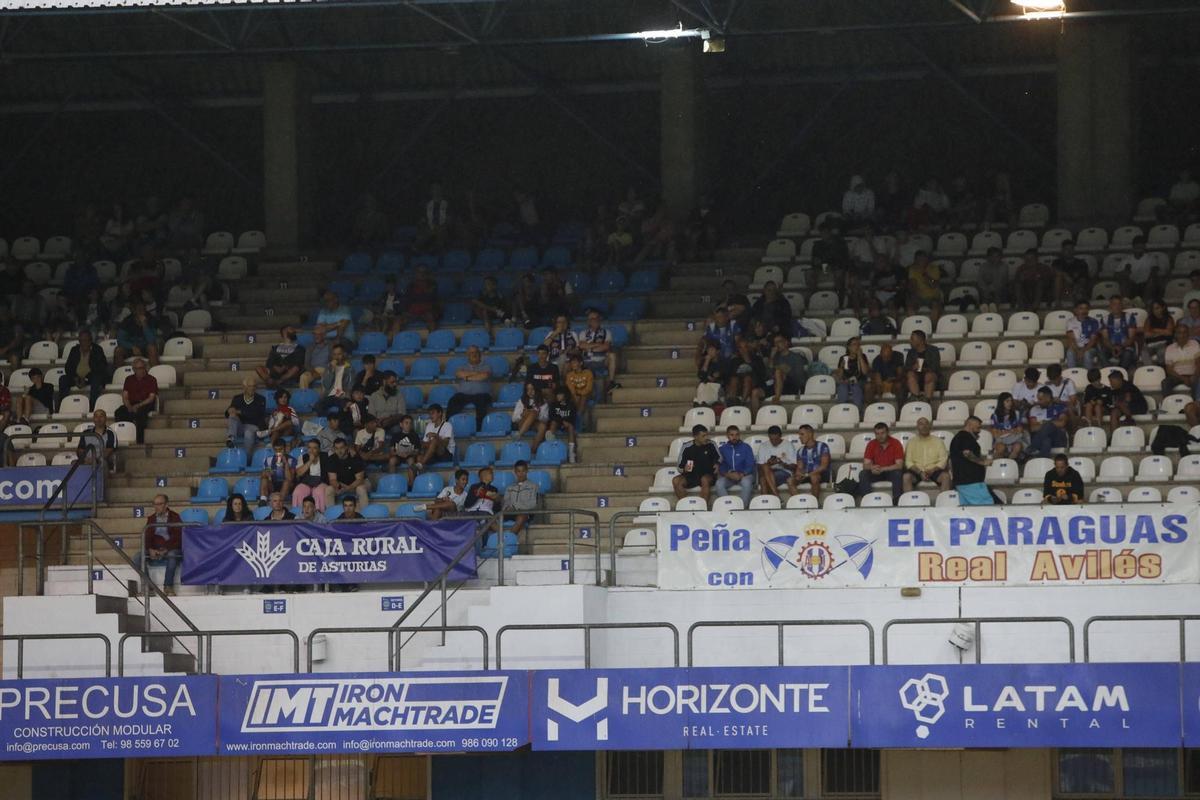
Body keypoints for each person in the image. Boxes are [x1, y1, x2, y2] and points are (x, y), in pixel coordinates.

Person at [138, 494, 182, 594]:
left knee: (172, 555)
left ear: (166, 504)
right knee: (137, 557)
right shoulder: (151, 518)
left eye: (159, 504)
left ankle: (168, 586)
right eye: (155, 504)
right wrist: (150, 549)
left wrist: (165, 549)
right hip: (154, 549)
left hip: (170, 548)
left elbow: (178, 538)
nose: (156, 507)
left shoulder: (175, 517)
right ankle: (148, 585)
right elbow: (147, 536)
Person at [58, 330, 108, 409]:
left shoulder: (97, 350)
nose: (84, 343)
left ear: (90, 341)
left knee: (97, 379)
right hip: (76, 377)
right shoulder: (74, 350)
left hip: (91, 377)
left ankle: (92, 407)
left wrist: (86, 378)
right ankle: (62, 405)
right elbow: (68, 367)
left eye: (86, 340)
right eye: (81, 341)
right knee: (63, 379)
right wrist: (75, 378)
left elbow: (101, 368)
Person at [446, 345, 493, 429]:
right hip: (464, 395)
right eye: (471, 353)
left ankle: (480, 429)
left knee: (482, 403)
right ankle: (448, 428)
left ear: (479, 354)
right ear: (468, 355)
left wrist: (467, 377)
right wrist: (477, 374)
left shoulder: (486, 366)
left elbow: (484, 375)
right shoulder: (462, 367)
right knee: (453, 401)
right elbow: (459, 373)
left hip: (482, 395)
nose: (474, 354)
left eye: (475, 352)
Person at [950, 417, 994, 506]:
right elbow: (967, 453)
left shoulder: (959, 437)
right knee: (987, 508)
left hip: (963, 482)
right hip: (971, 482)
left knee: (968, 511)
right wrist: (983, 462)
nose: (979, 431)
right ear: (969, 425)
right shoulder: (965, 437)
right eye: (977, 428)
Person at [672, 424, 719, 505]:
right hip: (692, 475)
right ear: (695, 436)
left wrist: (717, 463)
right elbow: (679, 466)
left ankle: (702, 507)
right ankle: (687, 506)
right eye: (703, 436)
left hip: (707, 474)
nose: (706, 438)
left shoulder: (711, 444)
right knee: (675, 480)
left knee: (704, 479)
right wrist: (684, 468)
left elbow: (720, 457)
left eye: (706, 435)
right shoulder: (686, 446)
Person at [576, 309, 619, 396]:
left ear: (599, 320)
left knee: (612, 355)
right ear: (588, 321)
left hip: (602, 360)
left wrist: (589, 347)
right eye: (591, 319)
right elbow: (581, 346)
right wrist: (597, 345)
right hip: (586, 361)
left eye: (596, 318)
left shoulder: (607, 332)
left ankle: (611, 382)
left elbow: (606, 346)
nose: (594, 320)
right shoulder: (583, 333)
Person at [902, 417, 951, 493]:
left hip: (934, 470)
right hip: (917, 471)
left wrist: (932, 470)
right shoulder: (911, 442)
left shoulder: (938, 441)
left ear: (930, 426)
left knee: (946, 477)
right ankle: (909, 503)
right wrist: (920, 472)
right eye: (921, 424)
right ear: (917, 427)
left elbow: (943, 460)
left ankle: (943, 502)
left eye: (926, 424)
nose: (924, 426)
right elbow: (908, 462)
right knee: (906, 477)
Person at [114, 358, 157, 443]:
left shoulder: (151, 379)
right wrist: (129, 406)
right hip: (132, 403)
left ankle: (139, 441)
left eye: (142, 368)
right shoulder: (129, 379)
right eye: (138, 368)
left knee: (140, 414)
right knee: (119, 412)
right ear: (133, 369)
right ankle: (124, 435)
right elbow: (125, 396)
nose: (141, 370)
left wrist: (138, 405)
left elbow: (151, 398)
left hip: (145, 403)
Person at [858, 422, 904, 500]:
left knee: (897, 473)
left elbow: (899, 465)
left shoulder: (896, 443)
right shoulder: (871, 444)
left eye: (882, 433)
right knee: (863, 474)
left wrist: (883, 469)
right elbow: (865, 465)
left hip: (891, 472)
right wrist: (872, 467)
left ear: (888, 432)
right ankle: (867, 500)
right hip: (876, 472)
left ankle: (897, 500)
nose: (880, 436)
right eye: (877, 434)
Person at [715, 425, 756, 507]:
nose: (735, 437)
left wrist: (742, 474)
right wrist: (727, 474)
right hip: (729, 476)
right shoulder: (722, 449)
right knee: (719, 483)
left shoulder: (746, 447)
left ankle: (741, 508)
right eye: (732, 435)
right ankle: (728, 507)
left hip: (745, 475)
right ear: (727, 436)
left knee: (746, 483)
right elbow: (721, 466)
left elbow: (750, 464)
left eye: (737, 435)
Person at [788, 424, 832, 499]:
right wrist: (798, 474)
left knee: (814, 477)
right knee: (790, 481)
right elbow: (800, 467)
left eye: (802, 434)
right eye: (799, 435)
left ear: (810, 434)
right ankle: (799, 502)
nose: (799, 437)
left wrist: (809, 474)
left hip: (821, 474)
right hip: (806, 475)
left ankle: (815, 504)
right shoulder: (800, 451)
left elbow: (823, 466)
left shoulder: (822, 446)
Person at [225, 376, 266, 453]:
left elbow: (257, 415)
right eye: (250, 386)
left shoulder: (261, 399)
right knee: (232, 416)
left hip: (253, 426)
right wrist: (230, 410)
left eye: (254, 386)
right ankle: (231, 437)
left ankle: (247, 458)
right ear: (244, 387)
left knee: (248, 433)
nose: (252, 388)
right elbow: (227, 414)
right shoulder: (237, 398)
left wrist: (240, 412)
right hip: (240, 426)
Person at [325, 437, 370, 508]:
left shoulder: (355, 458)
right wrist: (339, 486)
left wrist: (349, 488)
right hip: (342, 485)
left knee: (360, 489)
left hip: (358, 484)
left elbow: (360, 479)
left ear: (346, 447)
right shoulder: (331, 459)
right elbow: (332, 480)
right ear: (333, 449)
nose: (339, 451)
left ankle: (365, 515)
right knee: (329, 489)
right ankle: (331, 515)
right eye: (336, 448)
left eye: (341, 448)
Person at [755, 425, 796, 498]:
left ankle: (770, 501)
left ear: (781, 436)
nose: (773, 442)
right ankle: (775, 498)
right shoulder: (763, 446)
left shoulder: (788, 445)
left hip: (784, 471)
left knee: (763, 479)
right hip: (768, 471)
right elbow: (759, 466)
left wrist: (782, 463)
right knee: (764, 469)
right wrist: (769, 463)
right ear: (768, 437)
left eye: (776, 439)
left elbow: (794, 466)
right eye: (771, 439)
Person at [1027, 387, 1069, 457]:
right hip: (1043, 440)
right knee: (1046, 441)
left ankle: (1033, 446)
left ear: (1048, 398)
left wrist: (1044, 423)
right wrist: (1050, 423)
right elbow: (1033, 428)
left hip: (1058, 439)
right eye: (1038, 399)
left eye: (1040, 399)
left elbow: (1062, 423)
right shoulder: (1034, 409)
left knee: (1049, 425)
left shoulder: (1059, 407)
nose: (1038, 402)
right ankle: (1042, 463)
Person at [1100, 297, 1139, 371]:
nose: (1117, 306)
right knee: (1101, 353)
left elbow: (1131, 338)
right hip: (1110, 347)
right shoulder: (1105, 319)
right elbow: (1105, 339)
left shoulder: (1129, 317)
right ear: (1110, 306)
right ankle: (1108, 372)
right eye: (1114, 304)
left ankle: (1120, 373)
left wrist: (1120, 347)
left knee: (1127, 354)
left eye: (1119, 304)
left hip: (1126, 346)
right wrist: (1112, 348)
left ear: (1122, 306)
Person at [114, 302, 159, 366]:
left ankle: (155, 373)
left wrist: (145, 325)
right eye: (139, 310)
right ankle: (119, 373)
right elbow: (120, 340)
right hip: (131, 348)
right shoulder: (127, 321)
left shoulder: (151, 320)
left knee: (152, 348)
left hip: (145, 348)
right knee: (118, 350)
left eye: (143, 310)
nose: (142, 312)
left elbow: (152, 340)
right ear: (134, 311)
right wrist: (132, 347)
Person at [503, 460, 540, 538]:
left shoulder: (533, 486)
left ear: (527, 471)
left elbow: (533, 504)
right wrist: (508, 507)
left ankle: (506, 540)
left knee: (521, 516)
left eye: (523, 471)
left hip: (525, 513)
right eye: (518, 471)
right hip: (511, 512)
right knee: (491, 519)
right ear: (515, 472)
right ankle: (502, 538)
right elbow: (506, 501)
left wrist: (516, 506)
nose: (521, 474)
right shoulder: (510, 487)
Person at [315, 343, 353, 418]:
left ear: (344, 354)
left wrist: (346, 395)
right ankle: (328, 421)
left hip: (342, 396)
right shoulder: (329, 367)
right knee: (318, 406)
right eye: (334, 354)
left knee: (344, 408)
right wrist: (331, 370)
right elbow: (326, 384)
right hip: (330, 396)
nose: (336, 357)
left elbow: (350, 385)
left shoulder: (349, 369)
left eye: (339, 354)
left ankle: (337, 422)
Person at [1119, 235, 1161, 301]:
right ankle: (1126, 303)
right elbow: (1116, 274)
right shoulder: (1126, 259)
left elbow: (1155, 271)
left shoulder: (1151, 258)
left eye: (1141, 247)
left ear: (1144, 247)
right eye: (1137, 247)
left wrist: (1148, 280)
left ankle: (1144, 304)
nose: (1139, 249)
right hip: (1132, 285)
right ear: (1133, 247)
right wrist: (1124, 273)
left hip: (1145, 284)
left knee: (1152, 282)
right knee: (1124, 282)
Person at [415, 404, 455, 472]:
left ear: (440, 413)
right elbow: (424, 443)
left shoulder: (447, 425)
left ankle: (420, 464)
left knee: (434, 441)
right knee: (419, 456)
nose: (431, 416)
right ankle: (422, 478)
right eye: (430, 414)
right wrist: (430, 444)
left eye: (433, 413)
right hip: (433, 453)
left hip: (446, 455)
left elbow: (445, 444)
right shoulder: (429, 425)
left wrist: (436, 436)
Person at [291, 439, 329, 512]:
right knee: (297, 492)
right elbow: (299, 473)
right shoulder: (302, 457)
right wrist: (310, 461)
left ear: (319, 449)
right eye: (309, 447)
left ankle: (319, 514)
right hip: (307, 482)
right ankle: (299, 514)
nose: (311, 450)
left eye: (314, 448)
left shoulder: (326, 456)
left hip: (322, 482)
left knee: (318, 492)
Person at [1164, 323, 1200, 397]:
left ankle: (1195, 405)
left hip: (1192, 374)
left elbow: (1198, 363)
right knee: (1165, 383)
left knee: (1197, 381)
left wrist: (1195, 375)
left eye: (1185, 332)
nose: (1182, 335)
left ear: (1188, 334)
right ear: (1175, 335)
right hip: (1177, 376)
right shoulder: (1170, 348)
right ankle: (1167, 405)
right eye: (1179, 333)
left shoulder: (1195, 344)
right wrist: (1183, 379)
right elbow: (1169, 370)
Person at [368, 371, 407, 439]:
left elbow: (402, 414)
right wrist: (379, 422)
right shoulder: (374, 396)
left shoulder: (399, 395)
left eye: (395, 382)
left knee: (397, 430)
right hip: (378, 425)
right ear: (384, 382)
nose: (395, 384)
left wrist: (389, 419)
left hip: (394, 424)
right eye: (392, 382)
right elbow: (371, 416)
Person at [905, 251, 943, 321]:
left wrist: (925, 275)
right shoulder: (913, 269)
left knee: (936, 307)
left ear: (926, 259)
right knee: (910, 306)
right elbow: (912, 284)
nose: (920, 262)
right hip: (919, 296)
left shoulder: (934, 268)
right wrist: (913, 294)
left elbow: (933, 285)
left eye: (922, 259)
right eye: (918, 260)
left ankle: (932, 327)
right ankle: (914, 326)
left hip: (933, 297)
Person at [903, 330, 940, 400]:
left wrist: (922, 368)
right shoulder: (911, 352)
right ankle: (916, 399)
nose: (910, 341)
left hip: (931, 379)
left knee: (928, 376)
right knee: (910, 374)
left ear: (920, 340)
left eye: (912, 339)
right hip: (917, 378)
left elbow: (935, 368)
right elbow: (906, 368)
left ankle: (927, 401)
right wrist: (913, 367)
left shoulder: (933, 350)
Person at [1052, 239, 1090, 304]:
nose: (1069, 251)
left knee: (1079, 290)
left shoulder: (1081, 263)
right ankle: (1057, 302)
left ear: (1074, 250)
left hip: (1075, 290)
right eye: (1066, 249)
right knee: (1059, 278)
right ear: (1062, 250)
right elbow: (1055, 273)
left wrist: (1075, 287)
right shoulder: (1057, 262)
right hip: (1062, 290)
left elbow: (1083, 279)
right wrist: (1065, 275)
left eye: (1071, 249)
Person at [834, 337, 870, 409]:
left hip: (859, 381)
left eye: (858, 345)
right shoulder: (843, 358)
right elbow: (840, 376)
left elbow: (865, 372)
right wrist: (841, 367)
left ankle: (858, 410)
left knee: (856, 387)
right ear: (849, 347)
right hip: (846, 381)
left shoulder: (863, 356)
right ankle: (842, 409)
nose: (857, 346)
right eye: (854, 344)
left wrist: (860, 357)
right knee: (841, 387)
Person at [1065, 301, 1101, 369]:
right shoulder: (1070, 322)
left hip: (1090, 348)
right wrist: (1077, 351)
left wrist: (1083, 351)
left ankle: (1089, 375)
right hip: (1076, 347)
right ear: (1075, 310)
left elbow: (1092, 341)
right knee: (1069, 353)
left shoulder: (1094, 321)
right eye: (1081, 308)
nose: (1084, 311)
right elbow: (1071, 340)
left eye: (1086, 308)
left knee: (1087, 353)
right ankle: (1072, 375)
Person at [258, 439, 294, 506]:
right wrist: (267, 474)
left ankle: (279, 501)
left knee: (287, 482)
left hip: (286, 486)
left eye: (280, 449)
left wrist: (286, 464)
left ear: (285, 449)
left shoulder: (291, 460)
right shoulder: (269, 460)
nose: (278, 452)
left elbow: (290, 478)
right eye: (276, 450)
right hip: (273, 484)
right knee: (264, 479)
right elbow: (264, 474)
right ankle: (263, 501)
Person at [563, 354, 593, 433]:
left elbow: (588, 388)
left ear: (581, 363)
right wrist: (577, 393)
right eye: (571, 363)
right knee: (575, 397)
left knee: (583, 396)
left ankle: (578, 422)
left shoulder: (588, 373)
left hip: (587, 394)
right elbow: (571, 389)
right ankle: (580, 421)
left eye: (575, 362)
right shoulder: (569, 375)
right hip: (575, 396)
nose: (573, 364)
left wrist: (579, 392)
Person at [390, 415, 424, 482]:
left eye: (410, 423)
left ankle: (412, 482)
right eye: (406, 423)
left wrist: (409, 453)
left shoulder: (414, 436)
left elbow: (417, 451)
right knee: (392, 461)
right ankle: (392, 481)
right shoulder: (395, 435)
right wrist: (398, 453)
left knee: (411, 461)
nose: (408, 425)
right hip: (398, 456)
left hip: (409, 456)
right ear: (401, 424)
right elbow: (391, 451)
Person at [976, 247, 1008, 311]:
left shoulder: (1004, 266)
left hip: (1000, 289)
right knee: (984, 292)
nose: (995, 258)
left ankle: (994, 309)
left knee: (997, 292)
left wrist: (991, 288)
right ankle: (985, 308)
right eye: (992, 256)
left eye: (997, 256)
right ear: (988, 257)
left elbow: (1000, 281)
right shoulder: (983, 266)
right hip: (986, 290)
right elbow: (980, 281)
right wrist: (986, 289)